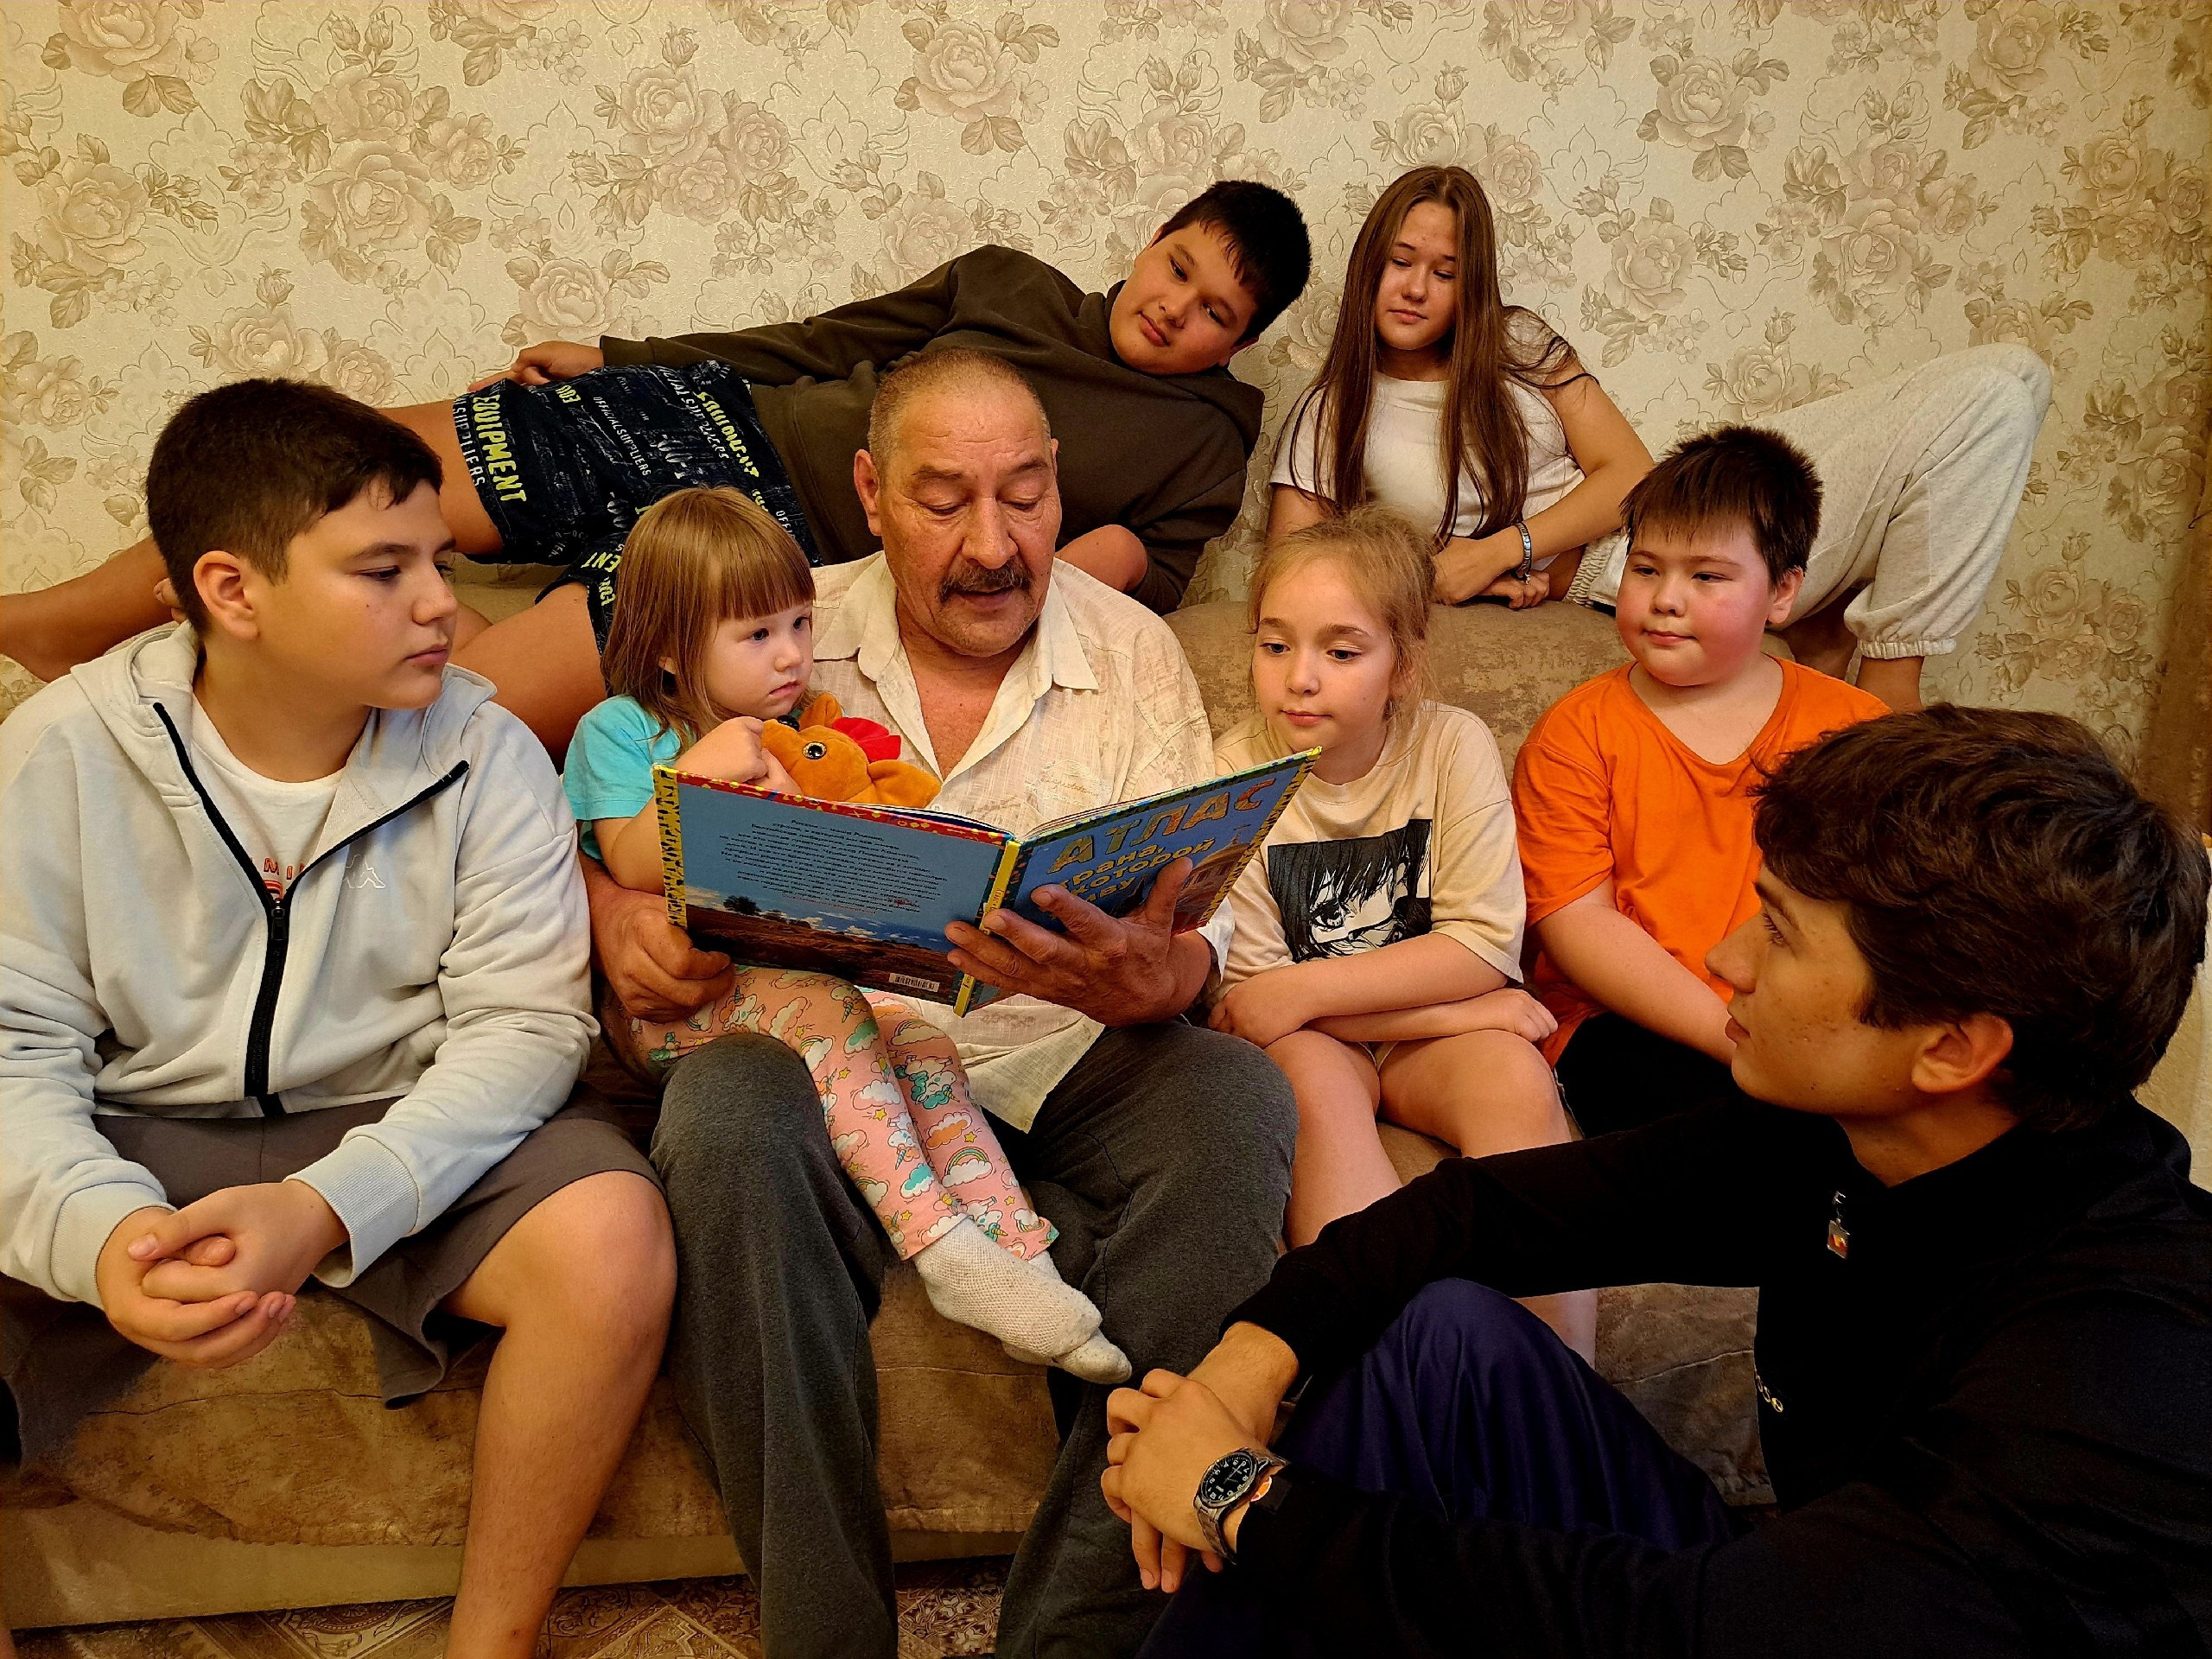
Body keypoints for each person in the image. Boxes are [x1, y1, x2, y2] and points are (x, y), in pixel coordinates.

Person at [1106, 704, 2212, 1659]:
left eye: (1781, 934)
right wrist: (1247, 1365)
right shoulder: (1845, 1137)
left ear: (1953, 1048)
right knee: (1448, 1336)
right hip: (1778, 1600)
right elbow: (1475, 1209)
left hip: (1762, 1632)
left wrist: (1242, 1498)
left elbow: (1692, 1629)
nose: (1726, 959)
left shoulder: (2122, 1360)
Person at [587, 348, 1297, 1657]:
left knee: (1238, 1095)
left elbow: (1216, 931)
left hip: (1070, 1054)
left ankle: (1070, 1642)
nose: (993, 544)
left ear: (1058, 483)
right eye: (943, 501)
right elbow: (596, 790)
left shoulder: (1132, 651)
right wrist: (614, 914)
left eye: (1025, 497)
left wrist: (1167, 975)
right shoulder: (773, 621)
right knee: (725, 1111)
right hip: (828, 1058)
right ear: (869, 491)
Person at [0, 379, 676, 1658]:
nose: (439, 605)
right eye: (382, 570)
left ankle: (490, 1648)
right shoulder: (63, 750)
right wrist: (101, 1237)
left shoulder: (486, 752)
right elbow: (11, 1049)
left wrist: (326, 1206)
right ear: (232, 591)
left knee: (613, 1236)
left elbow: (526, 1031)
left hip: (396, 1111)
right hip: (136, 1119)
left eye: (440, 562)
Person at [1, 181, 1313, 755]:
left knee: (467, 712)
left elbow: (1130, 574)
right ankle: (46, 624)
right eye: (1177, 267)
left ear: (1241, 342)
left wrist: (1039, 562)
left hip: (772, 549)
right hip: (711, 418)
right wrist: (625, 357)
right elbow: (816, 342)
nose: (1176, 310)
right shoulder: (1005, 282)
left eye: (1216, 312)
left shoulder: (1207, 440)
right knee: (336, 467)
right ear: (1149, 242)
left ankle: (205, 719)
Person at [569, 484, 1125, 1381]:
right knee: (833, 1012)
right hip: (679, 1009)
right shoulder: (625, 730)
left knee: (920, 1040)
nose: (792, 653)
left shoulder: (800, 731)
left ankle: (1018, 1256)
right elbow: (630, 862)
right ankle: (941, 1247)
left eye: (799, 623)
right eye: (757, 635)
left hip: (796, 981)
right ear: (671, 648)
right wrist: (701, 777)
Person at [1269, 165, 2052, 713]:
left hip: (1677, 498)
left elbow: (1630, 475)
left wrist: (1503, 549)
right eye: (1400, 263)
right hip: (1623, 564)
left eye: (1445, 273)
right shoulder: (1333, 411)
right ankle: (1884, 682)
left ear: (1470, 286)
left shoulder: (1515, 342)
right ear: (1369, 267)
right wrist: (1433, 575)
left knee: (2012, 379)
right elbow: (1293, 572)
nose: (1415, 288)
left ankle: (1869, 653)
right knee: (1993, 392)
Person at [1209, 505, 1590, 1358]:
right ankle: (1401, 1373)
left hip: (1412, 1040)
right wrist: (1462, 1008)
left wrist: (1451, 1015)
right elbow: (1257, 1008)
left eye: (1341, 653)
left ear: (1403, 665)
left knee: (1514, 1074)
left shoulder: (1452, 746)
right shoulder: (1233, 774)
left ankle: (1557, 1390)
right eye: (1275, 646)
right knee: (1307, 1079)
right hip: (1321, 1044)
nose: (1301, 678)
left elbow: (1481, 942)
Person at [1515, 426, 1888, 1137]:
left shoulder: (1856, 733)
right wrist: (1737, 1041)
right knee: (1736, 1136)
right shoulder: (1576, 734)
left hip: (1795, 1018)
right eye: (1645, 569)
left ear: (1782, 592)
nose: (1666, 599)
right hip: (1621, 1021)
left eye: (1707, 577)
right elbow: (1579, 926)